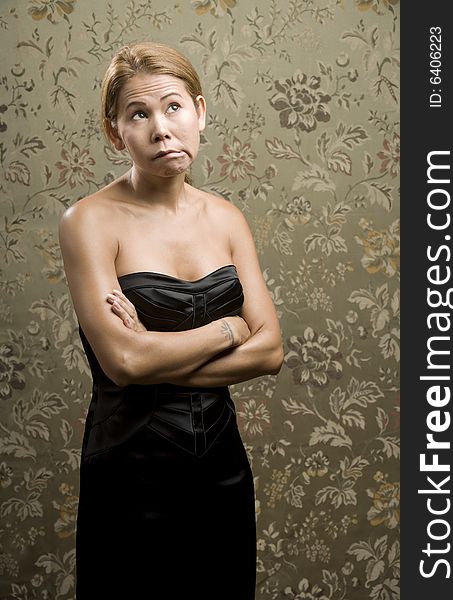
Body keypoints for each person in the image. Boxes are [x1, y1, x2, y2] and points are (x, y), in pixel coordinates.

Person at [58, 41, 283, 600]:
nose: (162, 129)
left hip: (223, 470)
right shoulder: (87, 221)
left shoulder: (228, 218)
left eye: (174, 107)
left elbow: (272, 351)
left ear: (200, 112)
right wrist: (228, 331)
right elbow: (124, 361)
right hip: (128, 474)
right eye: (139, 114)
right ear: (117, 134)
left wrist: (154, 352)